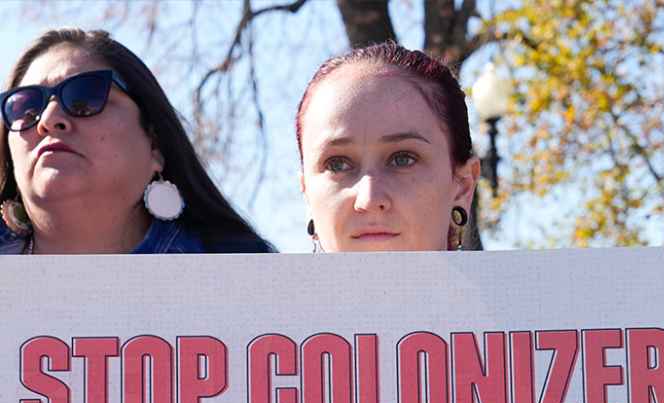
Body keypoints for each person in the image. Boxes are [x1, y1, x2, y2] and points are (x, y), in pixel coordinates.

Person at [0, 28, 272, 254]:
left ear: (154, 144)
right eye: (26, 108)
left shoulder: (250, 283)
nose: (49, 118)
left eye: (84, 98)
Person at [296, 41, 480, 253]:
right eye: (337, 164)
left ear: (463, 186)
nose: (369, 199)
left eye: (403, 159)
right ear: (306, 193)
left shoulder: (522, 286)